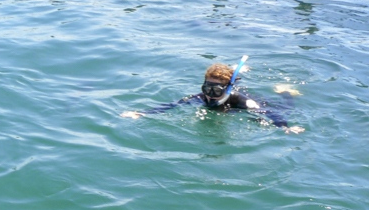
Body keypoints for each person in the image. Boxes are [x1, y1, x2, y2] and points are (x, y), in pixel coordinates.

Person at [121, 56, 305, 134]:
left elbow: (272, 114)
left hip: (254, 101)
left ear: (226, 89)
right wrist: (142, 113)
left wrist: (284, 128)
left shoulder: (241, 101)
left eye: (216, 90)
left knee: (283, 107)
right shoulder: (201, 97)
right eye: (206, 88)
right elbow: (171, 105)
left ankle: (287, 91)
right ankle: (233, 70)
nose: (209, 94)